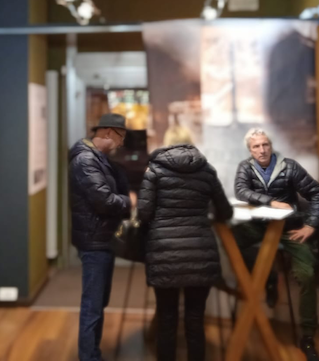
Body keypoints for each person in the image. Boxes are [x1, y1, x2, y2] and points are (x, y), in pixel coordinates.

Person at [234, 128, 319, 361]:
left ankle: (308, 337)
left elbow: (317, 194)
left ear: (271, 145)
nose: (262, 150)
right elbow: (241, 191)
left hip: (288, 229)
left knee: (307, 275)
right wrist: (271, 202)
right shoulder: (246, 167)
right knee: (232, 241)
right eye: (256, 146)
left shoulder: (290, 167)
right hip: (259, 226)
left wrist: (311, 225)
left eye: (265, 144)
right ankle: (268, 278)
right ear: (250, 150)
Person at [138, 144, 233, 361]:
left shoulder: (154, 171)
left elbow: (143, 213)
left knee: (167, 318)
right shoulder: (207, 171)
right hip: (200, 251)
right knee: (195, 319)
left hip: (164, 252)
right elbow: (225, 211)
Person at [69, 113, 137, 361]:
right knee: (92, 306)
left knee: (98, 303)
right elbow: (105, 200)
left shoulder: (98, 158)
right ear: (108, 133)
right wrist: (129, 202)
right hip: (94, 241)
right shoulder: (85, 160)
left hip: (100, 238)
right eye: (121, 137)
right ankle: (89, 357)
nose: (122, 143)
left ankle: (92, 353)